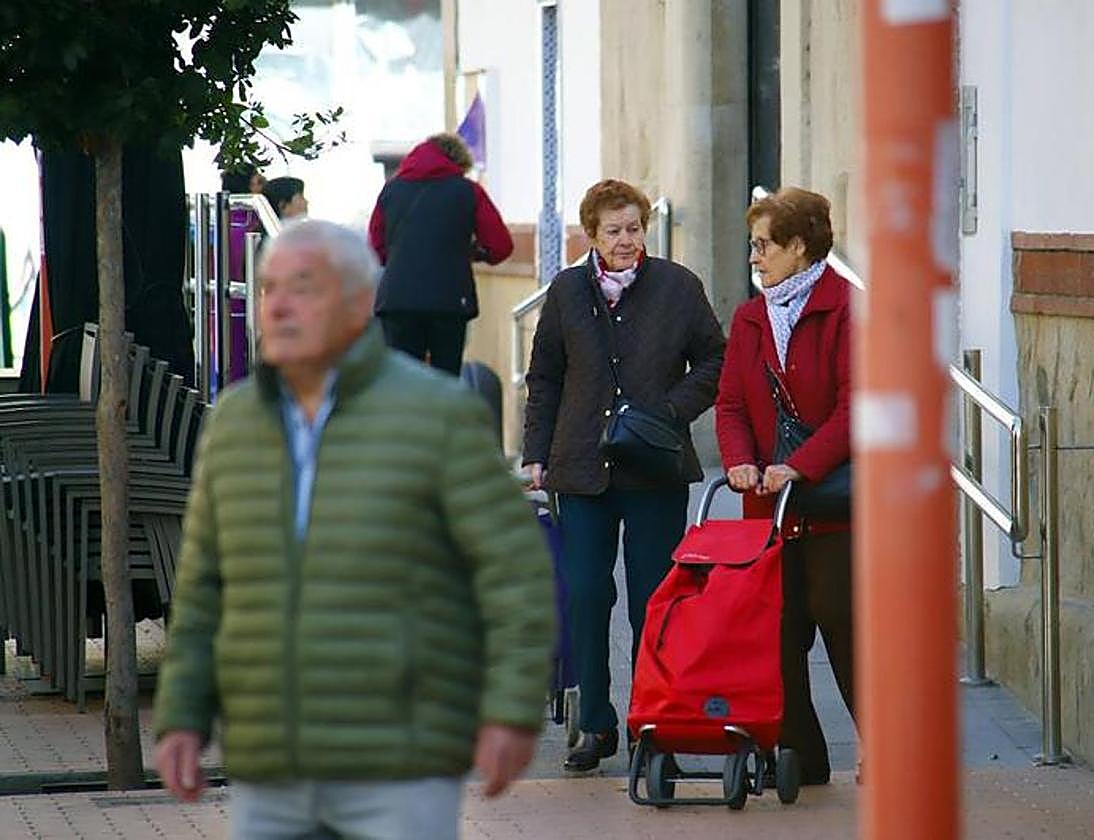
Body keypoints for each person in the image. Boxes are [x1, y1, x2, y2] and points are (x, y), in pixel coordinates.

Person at [153, 219, 554, 839]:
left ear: (360, 303)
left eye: (303, 288)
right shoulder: (234, 423)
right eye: (267, 289)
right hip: (270, 761)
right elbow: (204, 585)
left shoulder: (435, 414)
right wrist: (181, 715)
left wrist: (510, 709)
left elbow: (514, 573)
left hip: (400, 759)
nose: (278, 307)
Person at [522, 178, 725, 772]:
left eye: (634, 228)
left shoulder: (677, 287)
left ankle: (651, 717)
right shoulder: (565, 291)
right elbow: (546, 377)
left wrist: (667, 412)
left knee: (654, 598)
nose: (626, 240)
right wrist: (536, 452)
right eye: (613, 230)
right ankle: (594, 723)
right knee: (585, 592)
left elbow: (714, 359)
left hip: (655, 469)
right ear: (592, 234)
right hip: (580, 467)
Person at [714, 187, 855, 787]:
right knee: (776, 629)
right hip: (767, 506)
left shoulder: (846, 308)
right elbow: (730, 406)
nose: (755, 257)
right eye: (753, 246)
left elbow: (857, 406)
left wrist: (803, 466)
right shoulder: (750, 317)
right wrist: (741, 461)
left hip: (832, 504)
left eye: (764, 245)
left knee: (841, 619)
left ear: (799, 247)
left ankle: (887, 744)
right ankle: (800, 754)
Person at [368, 132, 513, 376]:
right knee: (446, 381)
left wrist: (401, 260)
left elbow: (377, 246)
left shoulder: (391, 192)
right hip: (449, 301)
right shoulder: (469, 191)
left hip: (398, 301)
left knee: (402, 379)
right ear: (458, 163)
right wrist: (473, 253)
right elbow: (500, 245)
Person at [220, 164, 266, 383]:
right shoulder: (248, 227)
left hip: (223, 308)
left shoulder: (220, 221)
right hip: (241, 307)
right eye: (259, 183)